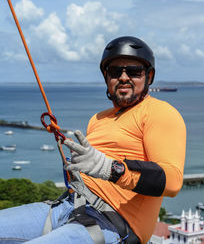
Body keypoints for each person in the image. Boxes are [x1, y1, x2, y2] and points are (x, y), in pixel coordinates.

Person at [0, 36, 186, 244]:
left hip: (112, 223)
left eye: (133, 71)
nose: (124, 77)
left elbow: (172, 181)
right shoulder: (97, 119)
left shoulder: (160, 113)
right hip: (70, 206)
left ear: (149, 76)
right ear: (107, 77)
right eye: (115, 72)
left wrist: (110, 168)